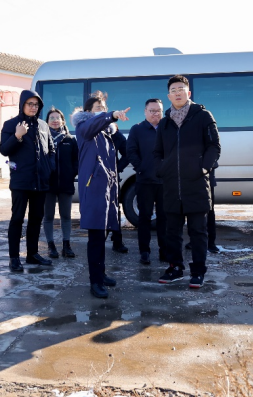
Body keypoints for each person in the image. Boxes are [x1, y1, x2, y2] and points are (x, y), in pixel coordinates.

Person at [154, 75, 220, 289]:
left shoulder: (202, 116)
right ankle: (175, 268)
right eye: (173, 90)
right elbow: (157, 152)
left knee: (198, 231)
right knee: (172, 231)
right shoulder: (165, 122)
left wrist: (203, 168)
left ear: (188, 93)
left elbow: (214, 146)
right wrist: (162, 169)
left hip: (196, 184)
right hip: (172, 185)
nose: (177, 93)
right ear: (168, 96)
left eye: (181, 89)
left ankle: (198, 271)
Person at [72, 92, 130, 298]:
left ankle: (101, 273)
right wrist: (111, 115)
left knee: (103, 233)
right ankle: (95, 281)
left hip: (108, 189)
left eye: (103, 107)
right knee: (96, 236)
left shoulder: (107, 132)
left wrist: (115, 172)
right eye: (98, 107)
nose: (101, 110)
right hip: (93, 188)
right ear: (88, 111)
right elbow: (92, 126)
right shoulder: (84, 127)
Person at [0, 89, 55, 272]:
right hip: (21, 181)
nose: (33, 107)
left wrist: (49, 168)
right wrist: (17, 136)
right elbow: (4, 150)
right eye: (30, 104)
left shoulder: (43, 125)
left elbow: (51, 150)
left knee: (36, 219)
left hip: (40, 181)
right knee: (17, 219)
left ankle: (32, 253)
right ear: (22, 104)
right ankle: (14, 258)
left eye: (36, 104)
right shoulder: (11, 124)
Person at [127, 98, 166, 265]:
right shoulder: (137, 129)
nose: (155, 114)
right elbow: (131, 151)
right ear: (145, 112)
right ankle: (144, 251)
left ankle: (164, 251)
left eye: (158, 111)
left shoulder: (167, 128)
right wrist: (141, 168)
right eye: (152, 111)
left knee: (164, 218)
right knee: (144, 217)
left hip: (165, 181)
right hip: (145, 181)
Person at [42, 107, 78, 258]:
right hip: (48, 185)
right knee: (48, 216)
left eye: (58, 118)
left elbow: (76, 161)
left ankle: (66, 245)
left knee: (66, 216)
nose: (55, 120)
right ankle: (51, 246)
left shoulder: (70, 140)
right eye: (52, 118)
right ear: (47, 122)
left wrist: (71, 174)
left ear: (63, 121)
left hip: (65, 184)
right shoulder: (43, 139)